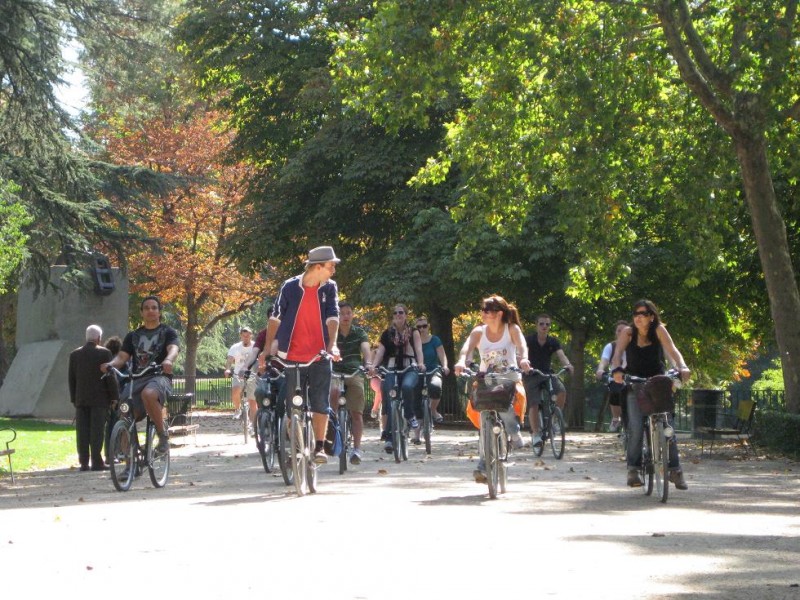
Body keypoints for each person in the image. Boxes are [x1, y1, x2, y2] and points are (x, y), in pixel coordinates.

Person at [257, 245, 341, 465]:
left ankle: (320, 447)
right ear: (318, 266)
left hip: (319, 355)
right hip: (291, 355)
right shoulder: (290, 287)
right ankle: (295, 446)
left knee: (320, 403)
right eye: (331, 265)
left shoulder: (329, 288)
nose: (334, 269)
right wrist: (267, 350)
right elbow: (275, 318)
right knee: (292, 405)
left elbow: (333, 316)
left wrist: (332, 346)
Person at [611, 299, 691, 490]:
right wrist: (617, 370)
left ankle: (675, 470)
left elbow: (673, 351)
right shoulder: (628, 333)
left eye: (643, 314)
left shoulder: (659, 330)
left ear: (651, 316)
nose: (638, 317)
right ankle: (634, 470)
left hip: (657, 383)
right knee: (636, 427)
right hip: (635, 383)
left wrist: (682, 367)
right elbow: (617, 355)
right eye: (635, 314)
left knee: (667, 426)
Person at [454, 295, 530, 483]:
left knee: (504, 408)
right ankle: (483, 467)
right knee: (484, 422)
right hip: (486, 379)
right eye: (482, 310)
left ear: (499, 313)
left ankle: (513, 431)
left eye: (486, 310)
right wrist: (462, 361)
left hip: (509, 376)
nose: (482, 313)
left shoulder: (511, 329)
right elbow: (466, 349)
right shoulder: (479, 332)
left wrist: (523, 359)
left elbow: (522, 346)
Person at [101, 295, 180, 454]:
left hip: (159, 376)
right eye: (146, 308)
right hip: (137, 378)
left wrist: (168, 360)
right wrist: (111, 364)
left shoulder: (168, 332)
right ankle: (130, 464)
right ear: (142, 312)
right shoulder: (133, 336)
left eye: (154, 308)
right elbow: (122, 357)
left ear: (159, 312)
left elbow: (173, 349)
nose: (150, 311)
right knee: (125, 415)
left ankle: (162, 436)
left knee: (149, 394)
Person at [369, 304, 425, 454]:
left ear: (406, 315)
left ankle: (409, 415)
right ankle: (388, 438)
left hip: (409, 367)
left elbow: (419, 349)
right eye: (395, 313)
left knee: (407, 387)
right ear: (392, 316)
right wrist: (374, 366)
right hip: (391, 368)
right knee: (389, 394)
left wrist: (420, 363)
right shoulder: (387, 333)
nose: (398, 315)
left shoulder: (413, 332)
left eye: (401, 312)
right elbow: (380, 352)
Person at [69, 325, 119, 471]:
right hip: (99, 399)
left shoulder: (74, 354)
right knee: (97, 431)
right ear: (98, 338)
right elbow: (110, 376)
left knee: (82, 431)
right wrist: (115, 396)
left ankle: (84, 462)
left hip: (81, 398)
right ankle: (97, 462)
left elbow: (71, 379)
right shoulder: (105, 353)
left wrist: (74, 398)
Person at [524, 313, 574, 448]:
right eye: (541, 324)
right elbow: (523, 354)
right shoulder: (529, 340)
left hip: (547, 373)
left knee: (561, 391)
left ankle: (554, 420)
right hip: (531, 374)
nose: (544, 326)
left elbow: (561, 355)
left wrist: (568, 365)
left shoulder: (553, 341)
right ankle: (536, 434)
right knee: (534, 403)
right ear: (536, 325)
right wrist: (525, 366)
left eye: (547, 324)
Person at [330, 302, 372, 464]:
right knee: (331, 398)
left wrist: (368, 364)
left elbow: (366, 350)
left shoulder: (359, 333)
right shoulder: (331, 333)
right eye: (341, 313)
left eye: (348, 313)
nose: (345, 316)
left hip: (353, 372)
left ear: (352, 315)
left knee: (356, 413)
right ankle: (331, 434)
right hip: (335, 372)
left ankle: (357, 449)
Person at [412, 315, 449, 444]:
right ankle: (416, 435)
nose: (422, 329)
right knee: (415, 397)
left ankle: (433, 410)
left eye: (424, 326)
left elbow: (442, 354)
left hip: (433, 370)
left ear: (428, 326)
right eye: (419, 327)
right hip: (417, 372)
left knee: (435, 387)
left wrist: (445, 366)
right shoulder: (412, 341)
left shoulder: (435, 340)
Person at [595, 320, 629, 432]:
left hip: (631, 376)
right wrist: (600, 369)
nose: (621, 333)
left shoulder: (634, 347)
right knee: (615, 389)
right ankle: (616, 418)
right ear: (616, 333)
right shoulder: (611, 346)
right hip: (616, 377)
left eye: (624, 331)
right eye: (619, 330)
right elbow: (604, 360)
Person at [224, 326, 258, 428]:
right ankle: (238, 409)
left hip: (252, 375)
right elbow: (230, 360)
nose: (246, 338)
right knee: (235, 390)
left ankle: (253, 425)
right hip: (238, 374)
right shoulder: (235, 347)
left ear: (251, 336)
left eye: (248, 336)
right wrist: (228, 369)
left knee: (252, 401)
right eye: (244, 336)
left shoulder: (255, 346)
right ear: (241, 336)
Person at [102, 335, 125, 466]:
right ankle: (117, 453)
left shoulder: (108, 361)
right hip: (120, 396)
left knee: (110, 427)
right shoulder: (121, 362)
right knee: (118, 426)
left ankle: (109, 454)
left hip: (109, 397)